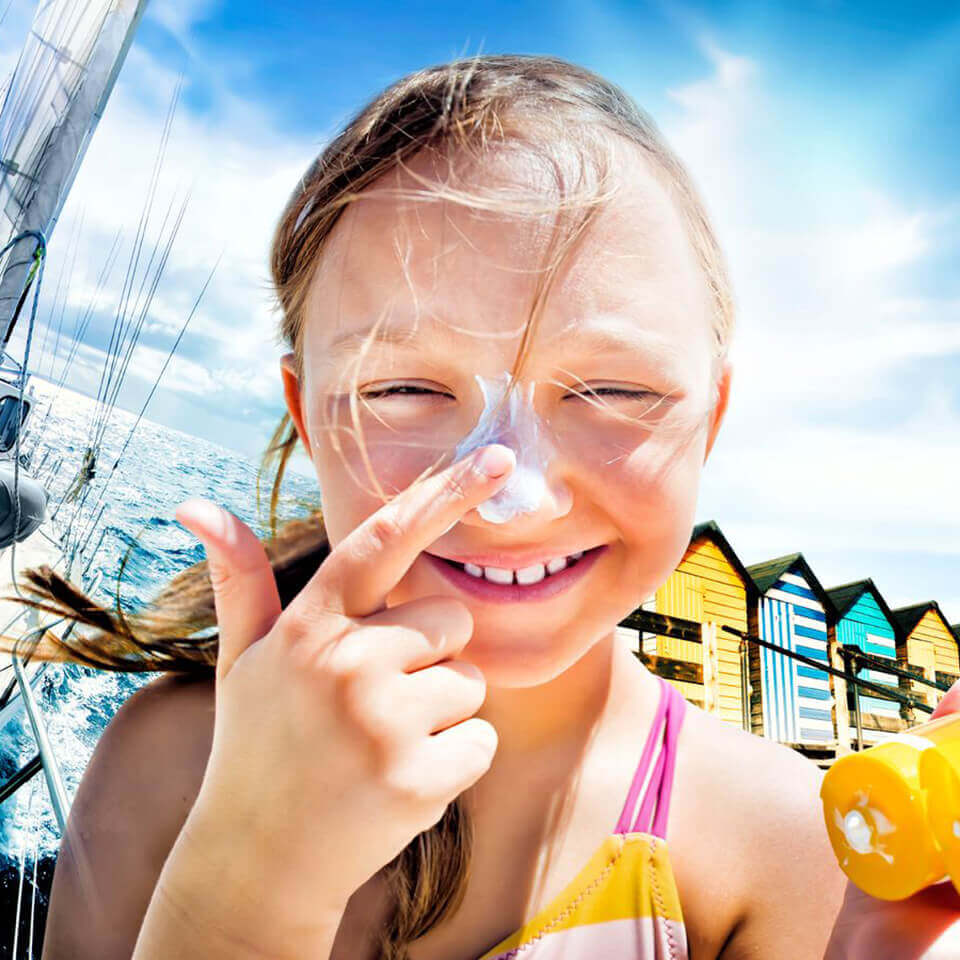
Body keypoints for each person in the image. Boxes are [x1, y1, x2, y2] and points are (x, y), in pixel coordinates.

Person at [15, 53, 960, 960]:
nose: (513, 497)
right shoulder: (171, 762)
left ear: (710, 419)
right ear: (306, 414)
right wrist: (249, 882)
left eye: (613, 393)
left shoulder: (789, 848)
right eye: (404, 392)